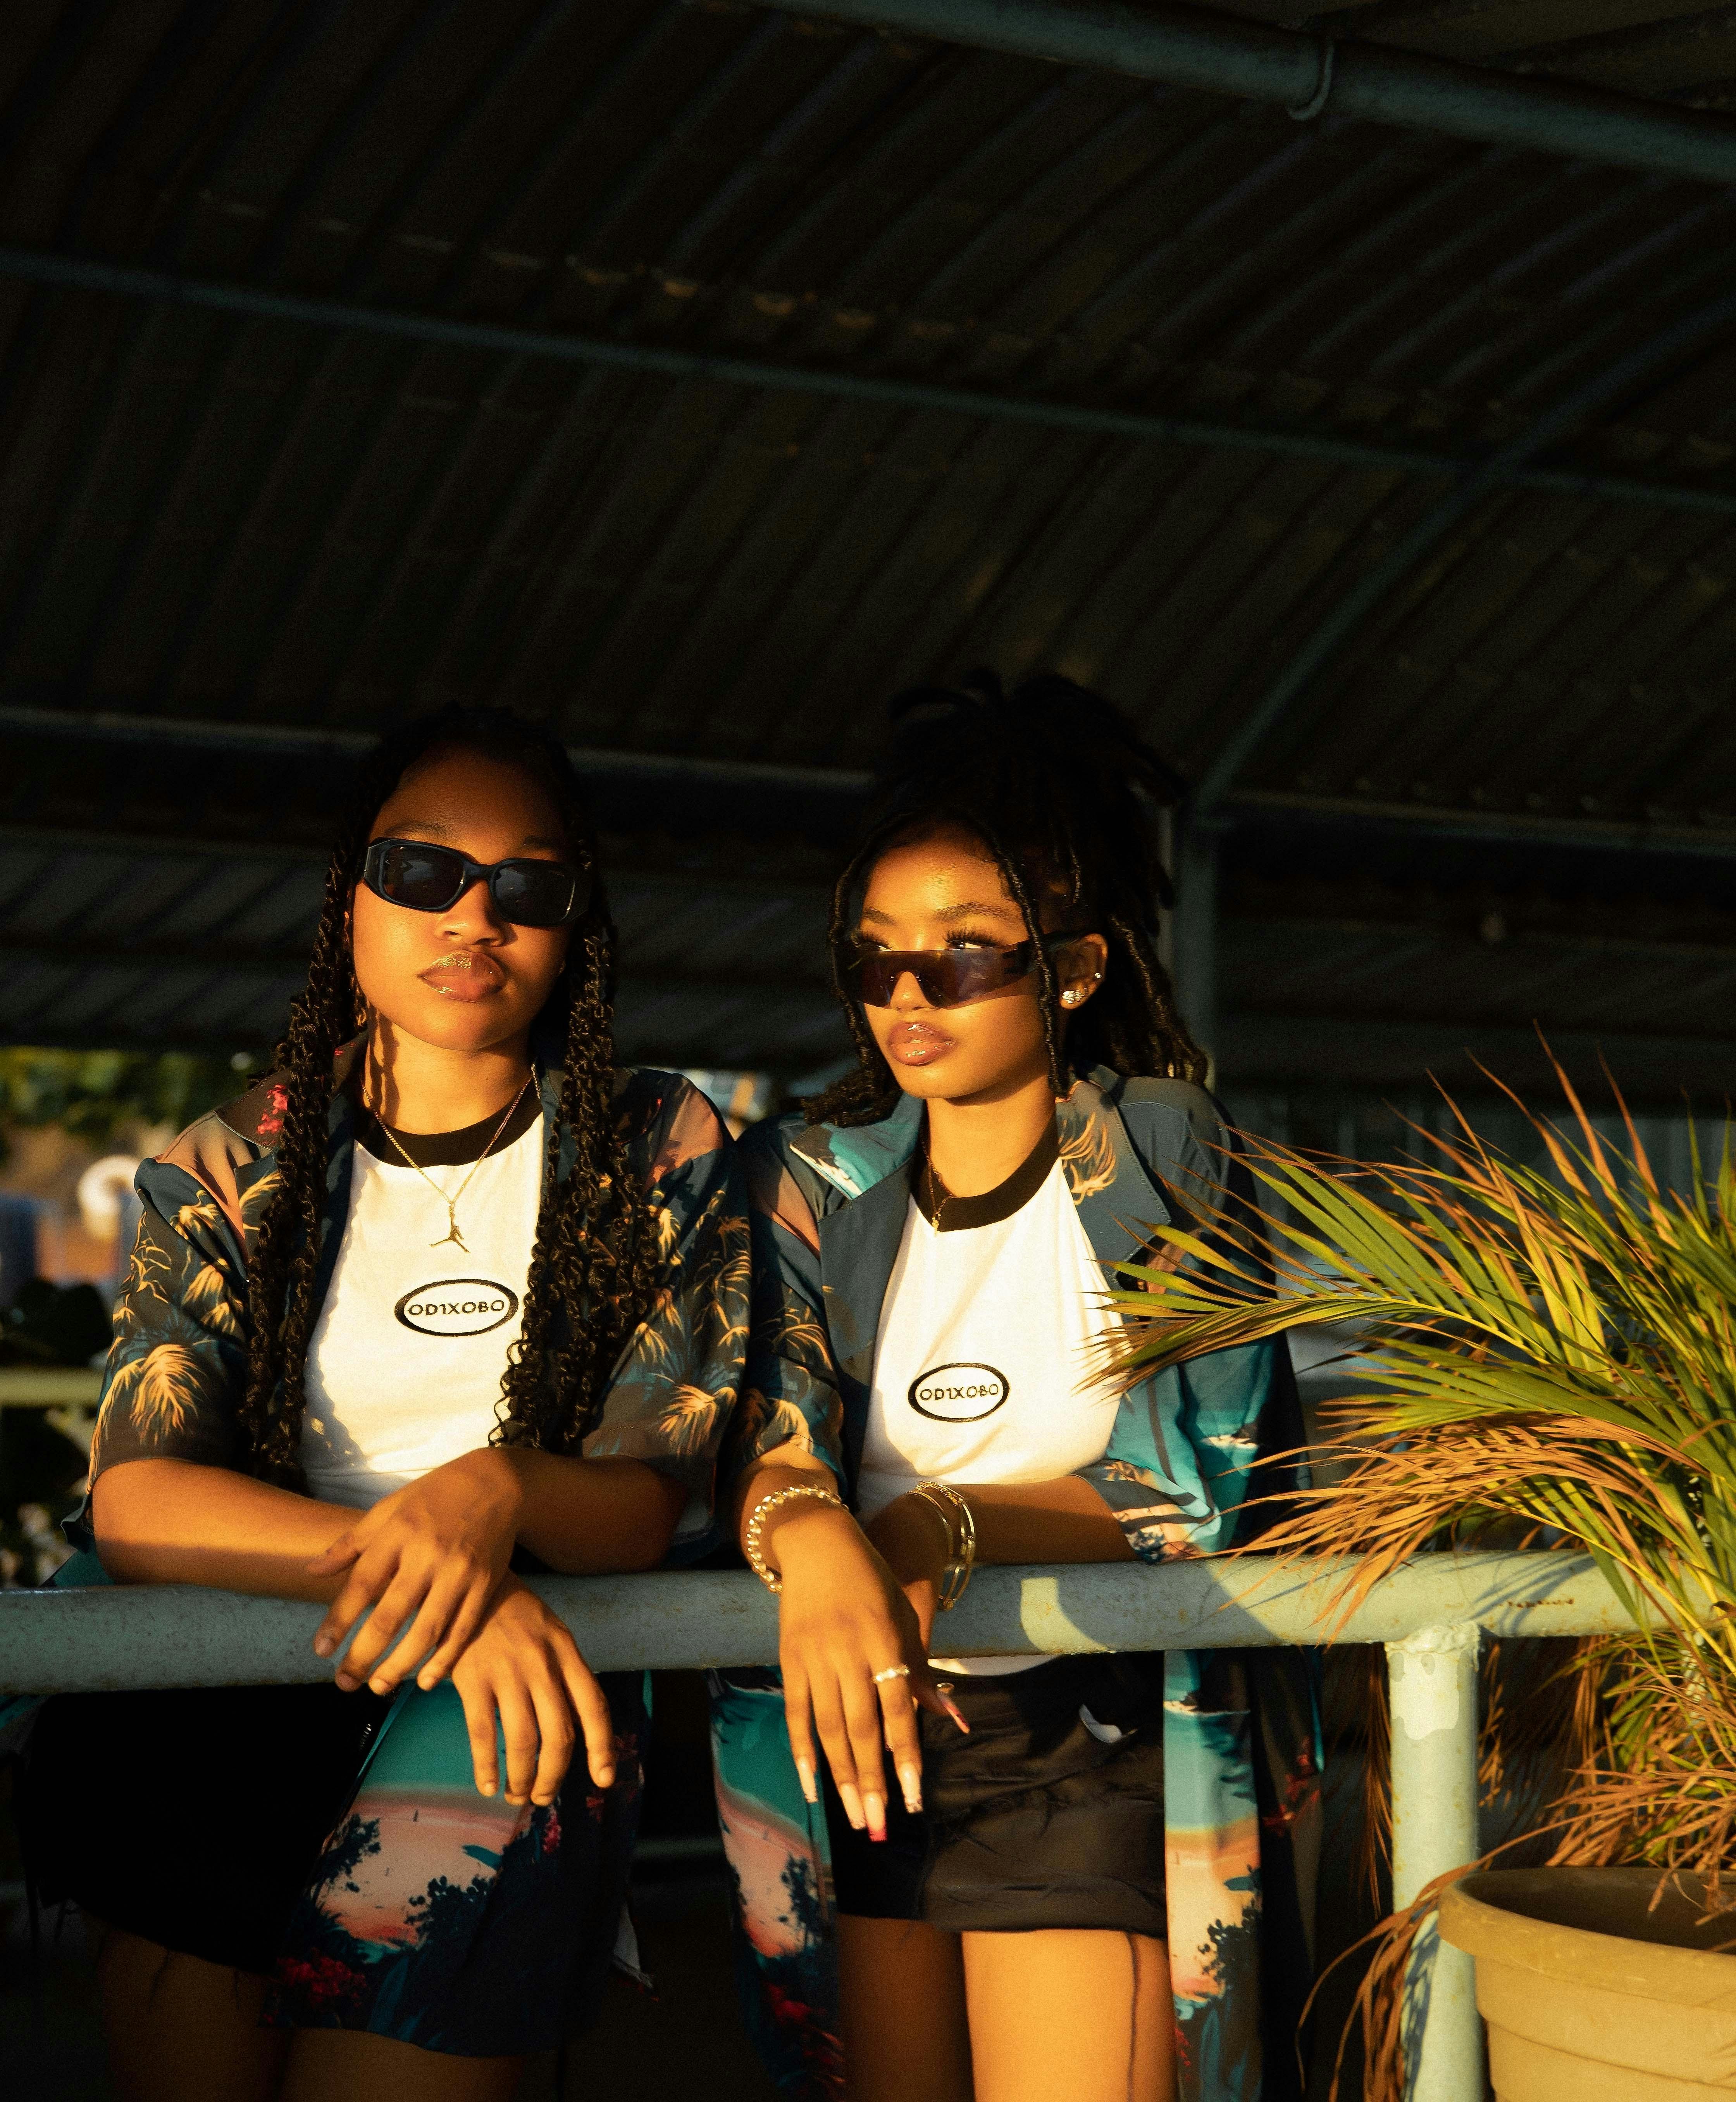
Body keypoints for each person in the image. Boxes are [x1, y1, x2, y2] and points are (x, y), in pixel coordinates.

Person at [20, 706, 749, 2102]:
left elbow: (640, 1507)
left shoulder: (655, 1144)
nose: (474, 915)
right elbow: (142, 1500)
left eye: (528, 884)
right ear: (349, 889)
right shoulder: (230, 1162)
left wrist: (497, 1490)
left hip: (500, 1727)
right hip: (220, 1715)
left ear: (578, 922)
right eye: (423, 871)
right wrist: (446, 1590)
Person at [718, 674, 1319, 2102]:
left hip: (1087, 1743)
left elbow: (1196, 1480)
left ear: (1078, 967)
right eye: (876, 959)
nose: (908, 996)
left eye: (967, 954)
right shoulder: (811, 1180)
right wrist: (805, 1524)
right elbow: (763, 1433)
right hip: (862, 1744)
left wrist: (942, 1524)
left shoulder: (1158, 1150)